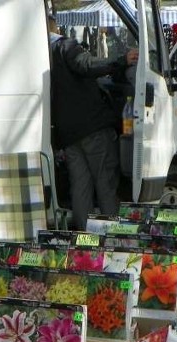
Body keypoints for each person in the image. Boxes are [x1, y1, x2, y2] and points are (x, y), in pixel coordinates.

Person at [48, 15, 137, 230]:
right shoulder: (64, 46)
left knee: (80, 188)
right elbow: (86, 64)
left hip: (67, 134)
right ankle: (113, 238)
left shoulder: (40, 54)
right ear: (54, 27)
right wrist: (121, 61)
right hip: (92, 128)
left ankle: (85, 240)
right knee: (105, 183)